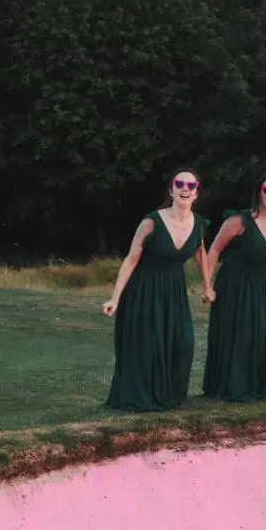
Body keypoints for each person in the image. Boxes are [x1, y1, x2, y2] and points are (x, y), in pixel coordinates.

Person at [102, 168, 213, 412]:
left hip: (174, 290)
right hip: (144, 289)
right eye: (180, 184)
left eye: (191, 186)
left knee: (182, 342)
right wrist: (115, 298)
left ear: (196, 193)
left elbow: (200, 252)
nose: (185, 189)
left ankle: (170, 395)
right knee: (148, 344)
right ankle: (142, 397)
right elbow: (131, 259)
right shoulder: (151, 222)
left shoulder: (199, 224)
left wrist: (207, 286)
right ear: (171, 189)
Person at [202, 172, 266, 401]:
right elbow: (214, 250)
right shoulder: (238, 221)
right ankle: (233, 387)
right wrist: (207, 286)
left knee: (265, 335)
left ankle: (261, 386)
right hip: (236, 286)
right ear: (259, 193)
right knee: (240, 335)